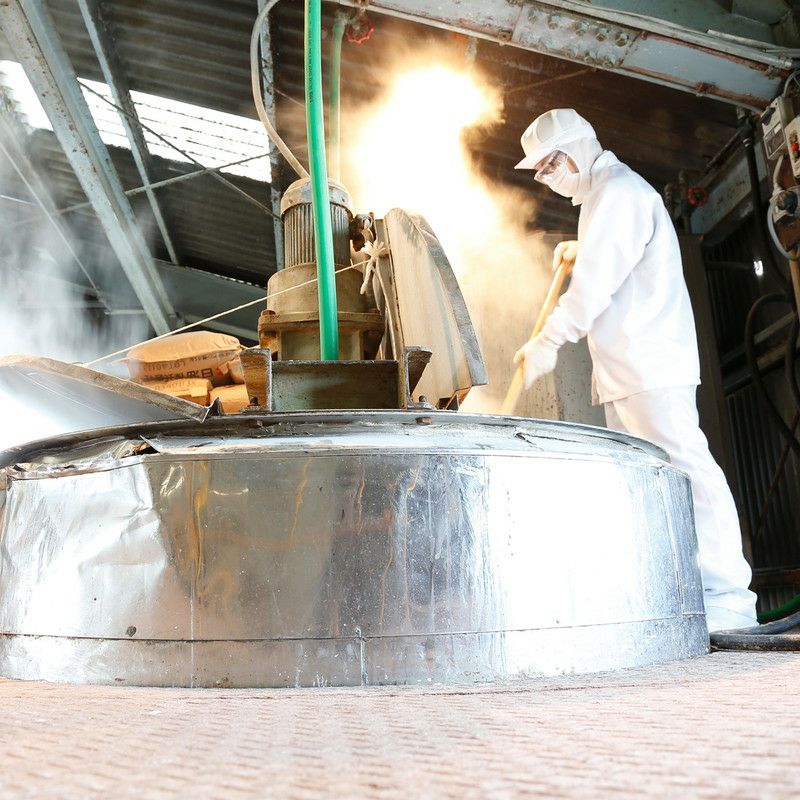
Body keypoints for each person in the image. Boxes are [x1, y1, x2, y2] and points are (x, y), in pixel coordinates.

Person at [512, 108, 757, 633]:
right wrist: (584, 248)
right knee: (649, 485)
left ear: (578, 149)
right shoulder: (603, 198)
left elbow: (596, 285)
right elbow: (616, 255)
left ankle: (730, 599)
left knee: (689, 473)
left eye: (551, 163)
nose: (546, 176)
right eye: (539, 169)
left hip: (650, 364)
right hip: (627, 370)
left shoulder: (619, 193)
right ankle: (678, 599)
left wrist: (549, 339)